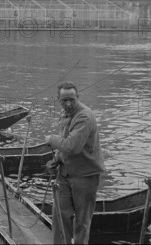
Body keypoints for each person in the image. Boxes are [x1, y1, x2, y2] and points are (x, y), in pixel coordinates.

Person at [45, 82, 104, 245]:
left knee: (82, 222)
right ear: (58, 100)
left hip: (85, 177)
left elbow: (72, 146)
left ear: (78, 97)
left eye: (72, 99)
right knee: (59, 217)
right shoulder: (64, 115)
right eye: (64, 100)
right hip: (64, 174)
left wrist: (51, 140)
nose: (68, 104)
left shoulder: (84, 116)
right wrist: (55, 160)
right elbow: (64, 142)